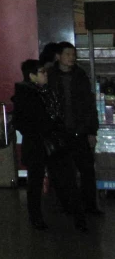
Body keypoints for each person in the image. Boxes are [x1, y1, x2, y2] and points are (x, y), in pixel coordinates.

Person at [12, 59, 86, 232]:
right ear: (32, 76)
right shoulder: (26, 95)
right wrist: (45, 129)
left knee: (65, 179)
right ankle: (37, 217)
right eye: (42, 72)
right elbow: (23, 122)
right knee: (37, 183)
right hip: (39, 143)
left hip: (53, 142)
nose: (46, 75)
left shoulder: (48, 92)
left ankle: (77, 216)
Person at [47, 41, 102, 216]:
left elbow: (89, 104)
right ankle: (65, 206)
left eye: (73, 54)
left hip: (79, 130)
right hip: (59, 132)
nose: (72, 58)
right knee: (62, 171)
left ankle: (90, 206)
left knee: (86, 169)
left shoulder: (80, 75)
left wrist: (91, 130)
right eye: (68, 54)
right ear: (59, 56)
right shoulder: (50, 76)